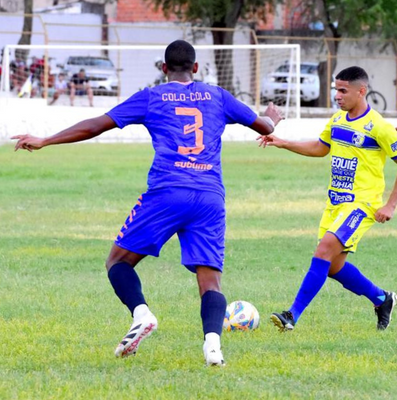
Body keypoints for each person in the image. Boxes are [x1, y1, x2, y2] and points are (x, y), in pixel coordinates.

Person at [11, 39, 284, 366]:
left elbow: (97, 125)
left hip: (167, 192)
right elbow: (264, 127)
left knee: (117, 262)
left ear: (164, 68)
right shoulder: (217, 96)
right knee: (210, 279)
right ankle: (213, 345)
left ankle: (141, 315)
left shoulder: (151, 97)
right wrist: (273, 118)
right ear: (195, 68)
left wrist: (46, 139)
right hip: (210, 196)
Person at [261, 66, 397, 332]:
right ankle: (382, 298)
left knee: (323, 251)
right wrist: (283, 142)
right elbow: (321, 148)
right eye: (336, 90)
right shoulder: (337, 120)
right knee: (332, 266)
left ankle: (291, 315)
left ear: (361, 91)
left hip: (363, 204)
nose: (338, 96)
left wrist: (390, 205)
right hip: (335, 204)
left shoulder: (379, 126)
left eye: (343, 91)